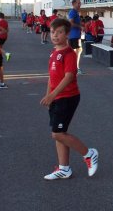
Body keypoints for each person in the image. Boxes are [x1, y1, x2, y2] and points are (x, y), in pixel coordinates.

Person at [40, 17, 98, 180]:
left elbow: (69, 76)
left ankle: (89, 153)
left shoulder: (69, 54)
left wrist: (53, 95)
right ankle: (64, 168)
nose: (55, 35)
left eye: (59, 32)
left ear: (67, 35)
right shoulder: (53, 52)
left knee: (57, 134)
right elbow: (52, 77)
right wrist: (48, 94)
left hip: (67, 97)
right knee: (60, 132)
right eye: (52, 32)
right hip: (56, 98)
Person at [68, 0, 83, 74]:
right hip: (73, 36)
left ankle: (75, 68)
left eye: (80, 3)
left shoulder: (76, 12)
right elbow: (71, 23)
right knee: (75, 53)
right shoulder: (72, 12)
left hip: (76, 35)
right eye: (78, 3)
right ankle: (75, 68)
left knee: (79, 51)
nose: (80, 4)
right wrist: (80, 27)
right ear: (73, 4)